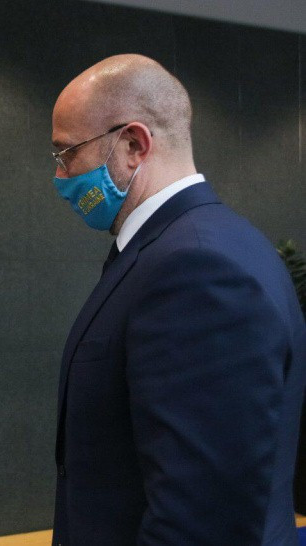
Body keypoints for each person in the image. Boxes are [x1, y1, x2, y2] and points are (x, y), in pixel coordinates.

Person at [50, 54, 305, 545]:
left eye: (67, 154)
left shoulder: (198, 268)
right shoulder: (186, 247)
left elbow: (202, 519)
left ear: (133, 144)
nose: (61, 178)